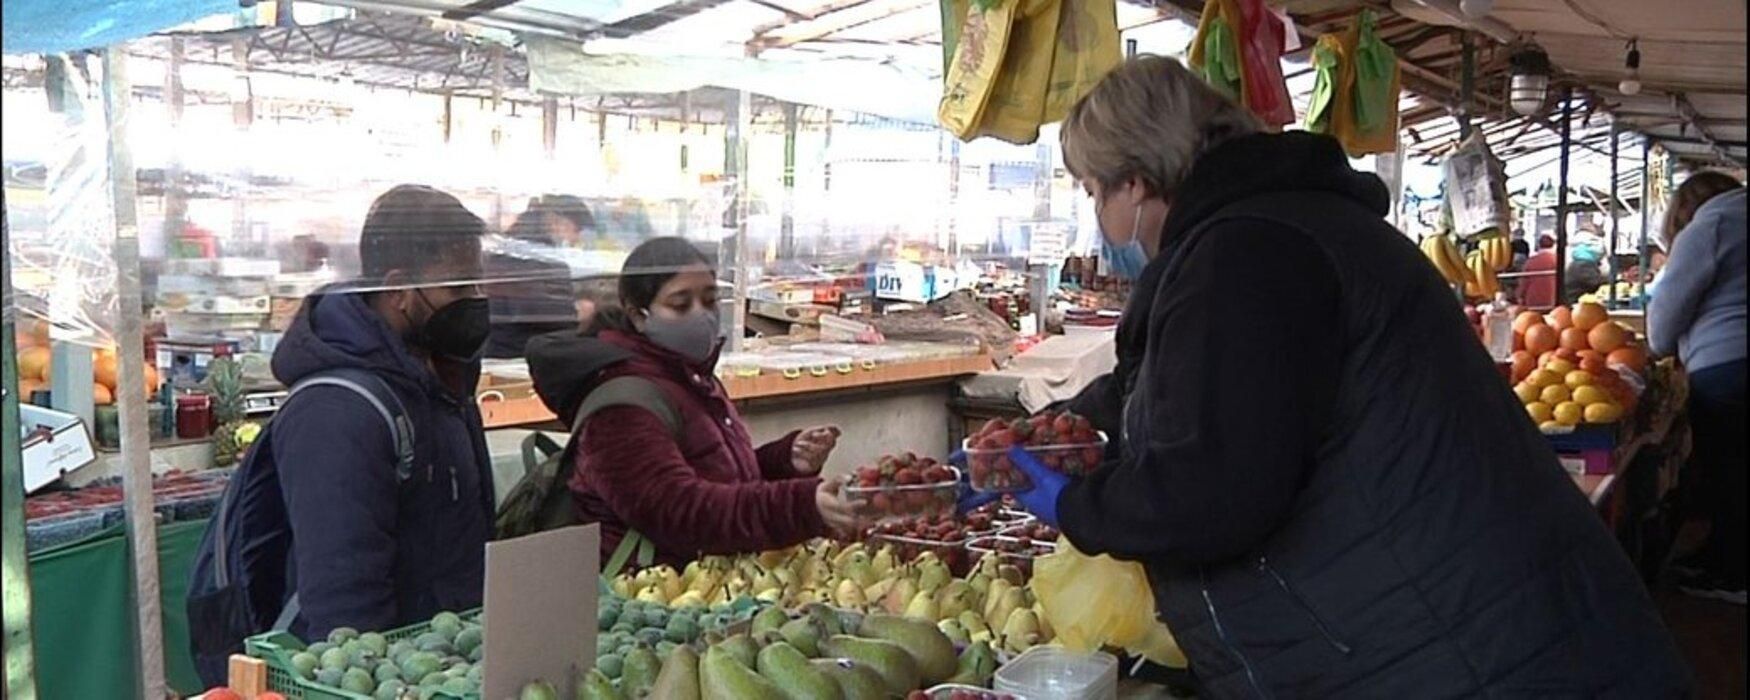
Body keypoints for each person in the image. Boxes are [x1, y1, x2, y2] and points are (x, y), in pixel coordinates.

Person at [981, 56, 1689, 697]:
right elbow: (1198, 382)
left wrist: (1078, 505)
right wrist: (1067, 426)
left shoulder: (1245, 255)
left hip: (1459, 654)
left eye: (1094, 190)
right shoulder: (1288, 224)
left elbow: (1214, 492)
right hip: (1483, 631)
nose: (1099, 215)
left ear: (1135, 182)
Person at [186, 185, 496, 684]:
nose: (477, 302)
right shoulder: (338, 412)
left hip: (441, 668)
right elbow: (344, 605)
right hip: (381, 679)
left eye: (479, 284)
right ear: (398, 290)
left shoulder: (442, 383)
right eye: (459, 289)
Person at [526, 237, 858, 566]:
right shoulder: (623, 405)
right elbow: (678, 510)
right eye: (681, 304)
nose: (701, 315)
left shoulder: (691, 377)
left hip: (712, 578)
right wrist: (800, 505)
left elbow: (715, 476)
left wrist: (784, 460)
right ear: (638, 315)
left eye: (710, 300)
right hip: (648, 597)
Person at [1648, 171, 1745, 604]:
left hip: (1727, 364)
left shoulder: (1712, 226)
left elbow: (1664, 319)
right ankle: (1719, 558)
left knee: (1729, 471)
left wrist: (1661, 347)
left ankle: (1731, 575)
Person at [484, 195, 598, 358]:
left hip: (497, 346)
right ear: (556, 221)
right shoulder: (542, 258)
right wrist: (576, 311)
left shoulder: (510, 248)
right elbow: (535, 310)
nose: (575, 240)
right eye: (576, 230)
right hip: (520, 351)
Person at [1520, 232, 1560, 307]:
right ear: (1553, 245)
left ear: (1539, 245)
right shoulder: (1558, 261)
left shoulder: (1531, 261)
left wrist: (1520, 297)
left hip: (1533, 302)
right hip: (1554, 301)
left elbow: (1523, 284)